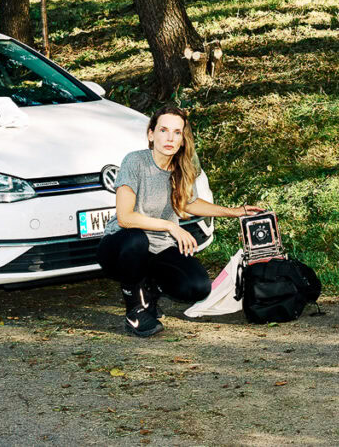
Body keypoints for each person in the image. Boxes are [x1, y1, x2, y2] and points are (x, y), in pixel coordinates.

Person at [97, 104, 262, 337]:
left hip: (158, 248)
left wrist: (234, 211)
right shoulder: (135, 162)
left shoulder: (181, 167)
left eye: (177, 133)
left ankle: (150, 291)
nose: (170, 138)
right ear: (151, 134)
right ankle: (135, 309)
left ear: (183, 140)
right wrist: (170, 226)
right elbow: (125, 218)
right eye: (163, 130)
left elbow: (188, 203)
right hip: (120, 247)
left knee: (197, 287)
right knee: (135, 240)